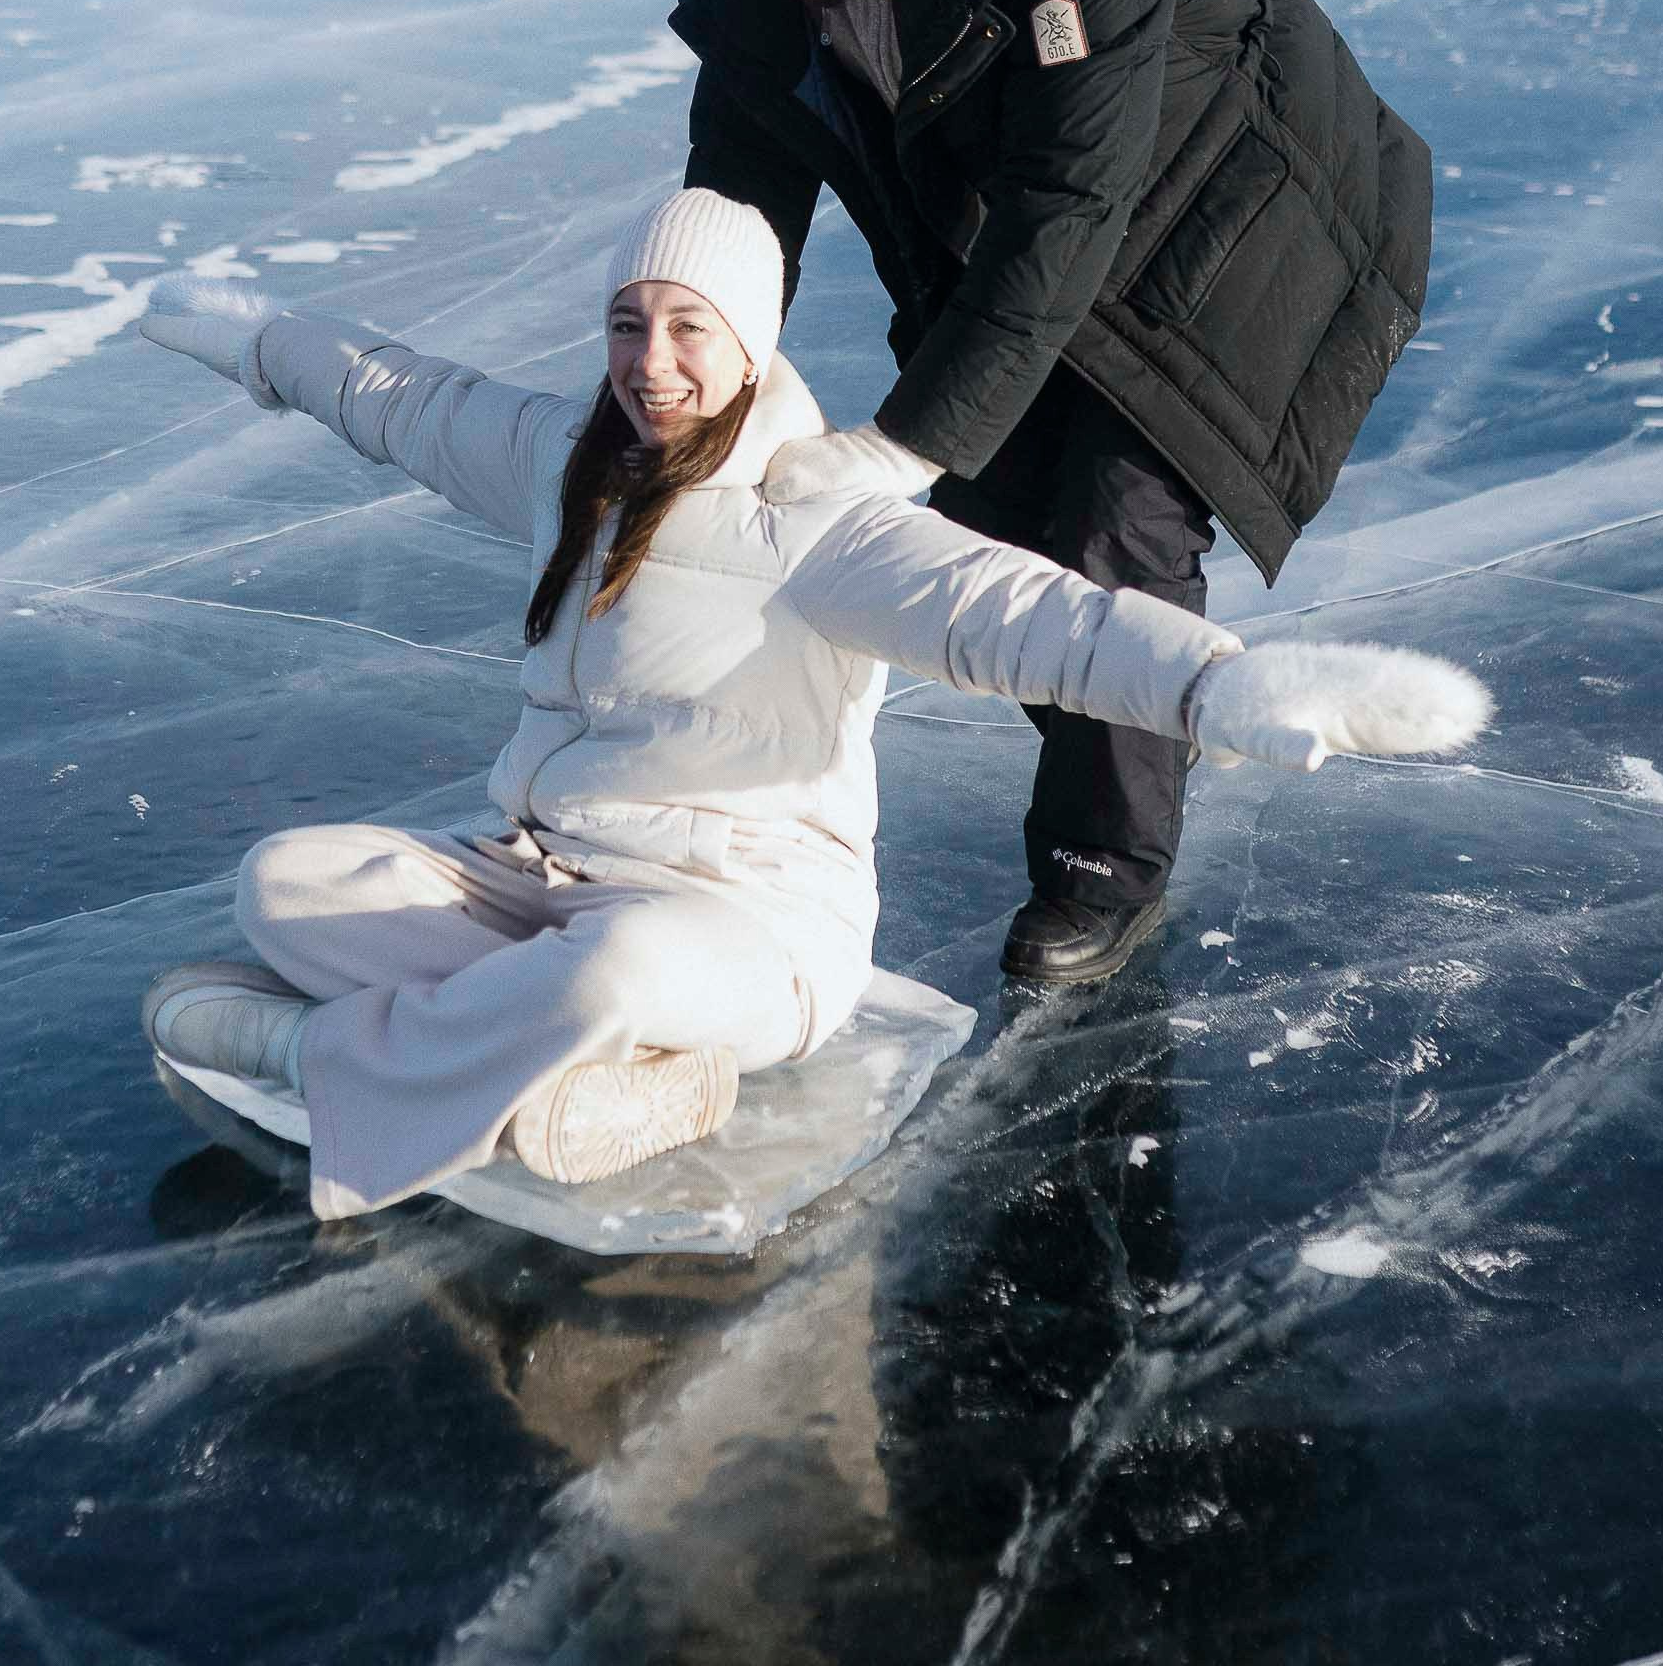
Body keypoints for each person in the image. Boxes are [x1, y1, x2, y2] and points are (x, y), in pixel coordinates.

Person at [133, 191, 1485, 1220]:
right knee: (288, 884)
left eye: (686, 330)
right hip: (534, 881)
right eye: (627, 323)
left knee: (620, 970)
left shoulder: (821, 522)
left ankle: (324, 1056)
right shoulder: (568, 460)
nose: (648, 361)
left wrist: (1217, 682)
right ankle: (576, 1073)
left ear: (748, 343)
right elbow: (401, 400)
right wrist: (262, 340)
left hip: (748, 926)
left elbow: (1030, 617)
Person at [668, 0, 1435, 989]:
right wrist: (699, 339)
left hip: (1233, 214)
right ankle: (1131, 712)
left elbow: (1068, 202)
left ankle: (1101, 863)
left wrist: (905, 438)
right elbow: (747, 161)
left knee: (1110, 520)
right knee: (993, 513)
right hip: (1012, 204)